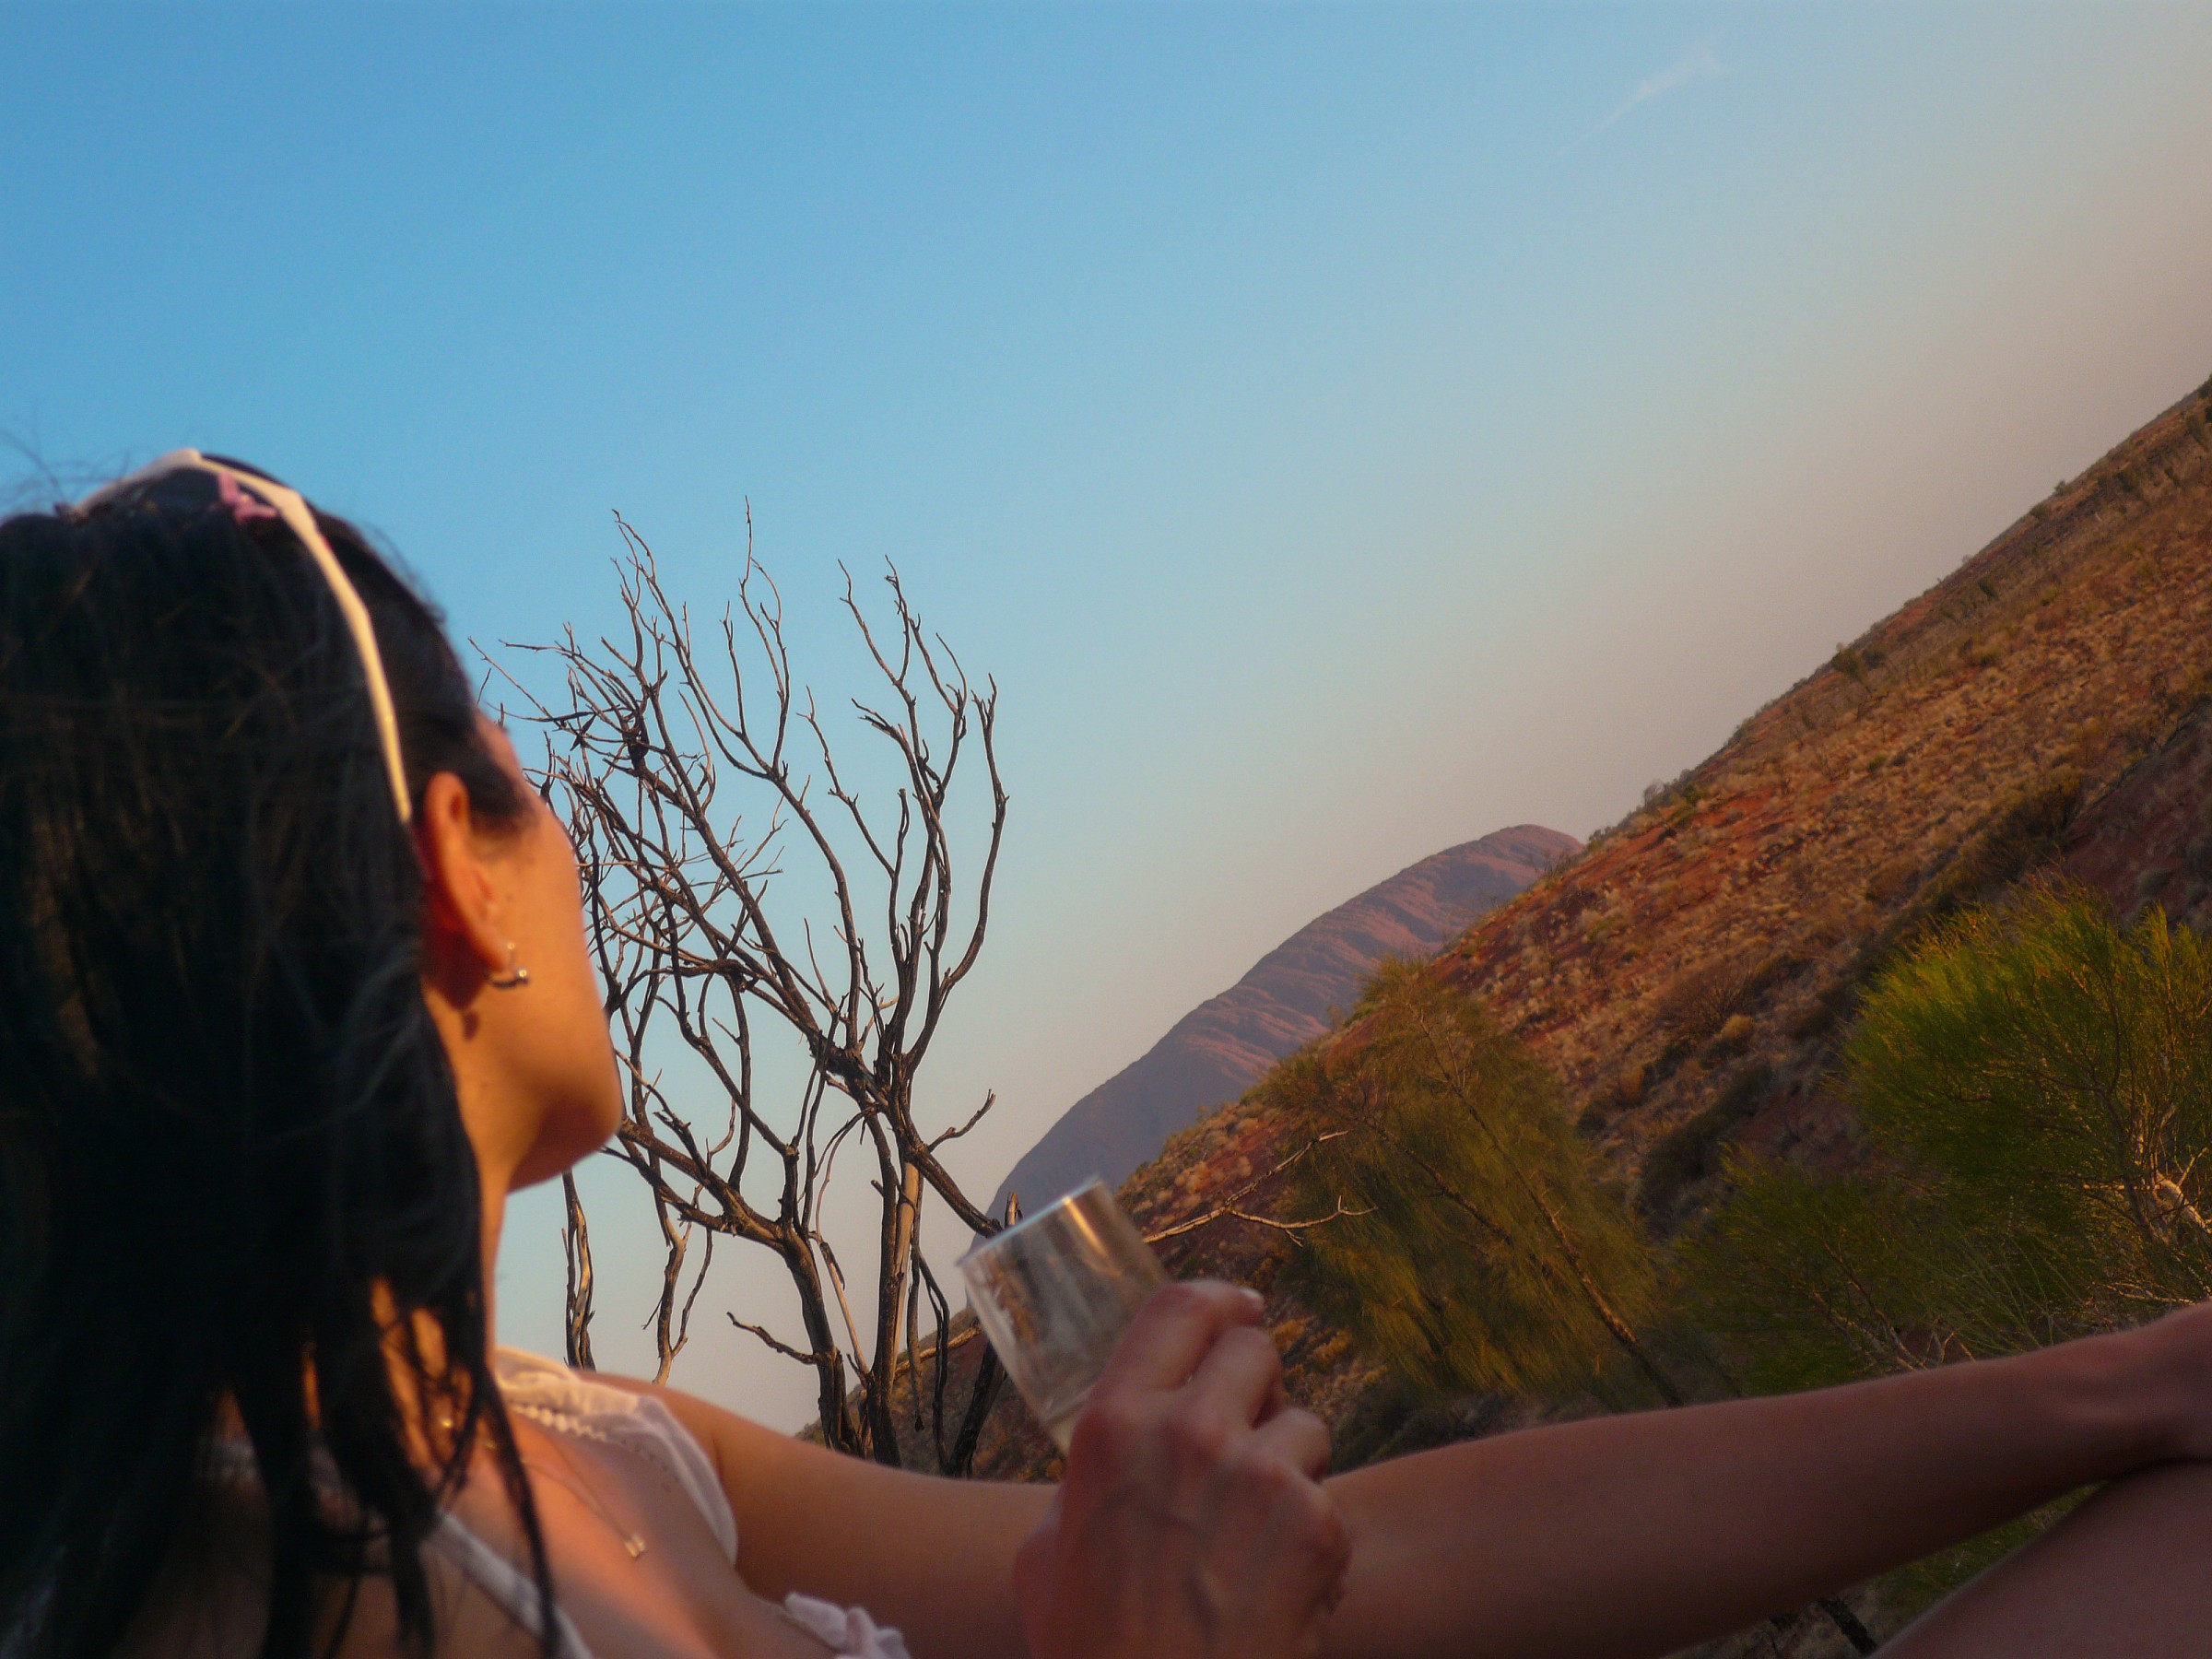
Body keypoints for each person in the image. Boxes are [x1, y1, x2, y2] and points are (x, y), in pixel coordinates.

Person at [6, 453, 2212, 1659]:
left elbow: (1389, 1577)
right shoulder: (290, 1618)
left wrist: (2117, 1384)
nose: (572, 852)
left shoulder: (585, 1446)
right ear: (444, 879)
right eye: (527, 778)